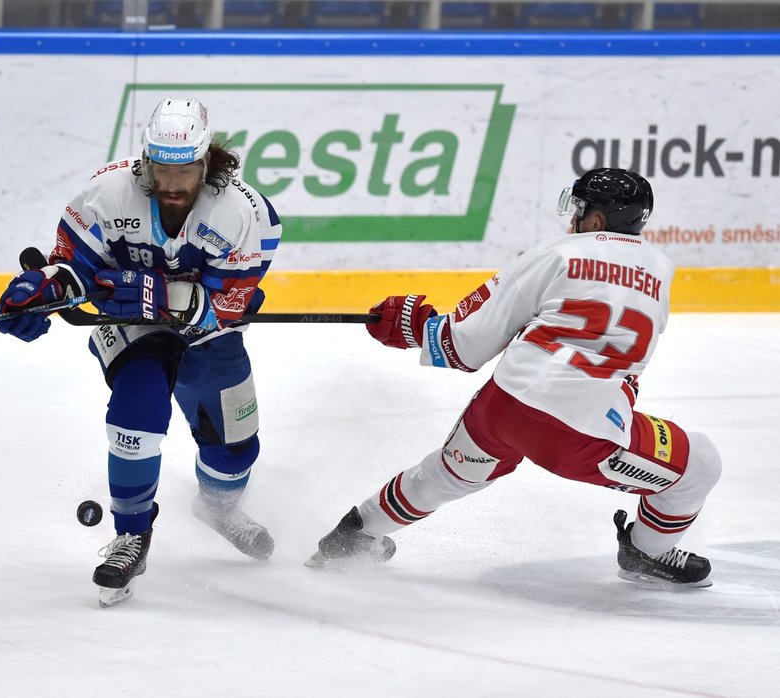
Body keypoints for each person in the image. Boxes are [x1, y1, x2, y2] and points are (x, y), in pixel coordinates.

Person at [307, 168, 722, 588]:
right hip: (581, 433)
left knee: (447, 475)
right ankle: (645, 552)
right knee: (700, 462)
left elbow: (467, 346)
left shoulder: (554, 253)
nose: (573, 218)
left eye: (580, 209)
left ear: (596, 220)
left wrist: (419, 327)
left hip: (504, 408)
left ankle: (353, 536)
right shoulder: (660, 269)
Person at [0, 97, 283, 607]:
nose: (172, 185)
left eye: (186, 172)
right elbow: (72, 268)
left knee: (234, 446)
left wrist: (149, 290)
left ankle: (218, 507)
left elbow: (224, 304)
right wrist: (39, 291)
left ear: (206, 162)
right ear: (146, 161)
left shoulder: (245, 213)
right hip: (127, 328)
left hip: (207, 335)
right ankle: (131, 535)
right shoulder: (107, 193)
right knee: (138, 405)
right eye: (160, 170)